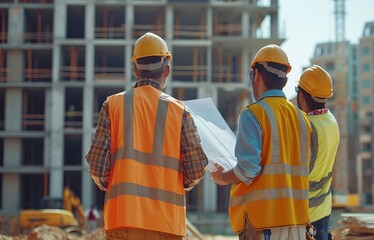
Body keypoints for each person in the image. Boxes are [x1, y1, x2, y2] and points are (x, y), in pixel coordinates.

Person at [85, 32, 208, 240]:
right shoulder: (180, 112)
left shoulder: (113, 105)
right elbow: (196, 170)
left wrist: (116, 182)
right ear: (167, 69)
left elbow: (98, 168)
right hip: (167, 225)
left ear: (135, 69)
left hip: (123, 221)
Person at [210, 44, 312, 239]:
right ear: (285, 79)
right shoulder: (302, 119)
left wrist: (223, 177)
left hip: (263, 221)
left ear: (256, 75)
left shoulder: (253, 114)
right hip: (297, 222)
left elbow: (249, 169)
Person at [296, 65, 340, 240]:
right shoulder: (331, 121)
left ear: (301, 95)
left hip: (306, 217)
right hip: (324, 210)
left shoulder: (307, 128)